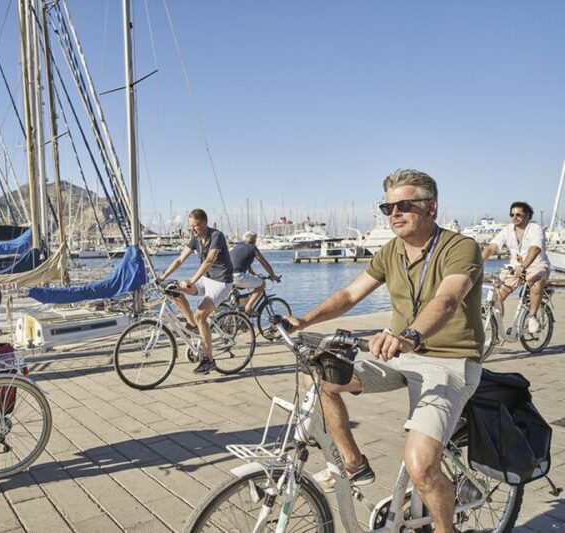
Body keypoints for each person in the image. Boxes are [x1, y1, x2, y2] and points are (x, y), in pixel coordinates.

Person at [286, 169, 483, 533]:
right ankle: (354, 462)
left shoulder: (460, 247)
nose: (394, 213)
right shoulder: (390, 251)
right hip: (399, 353)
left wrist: (410, 334)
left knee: (421, 466)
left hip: (450, 361)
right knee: (322, 374)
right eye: (387, 206)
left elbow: (448, 299)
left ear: (432, 207)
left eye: (405, 205)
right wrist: (304, 321)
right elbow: (348, 296)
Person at [155, 208, 234, 374]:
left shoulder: (216, 236)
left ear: (204, 224)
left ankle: (209, 360)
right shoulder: (195, 238)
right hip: (206, 280)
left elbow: (208, 261)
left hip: (221, 283)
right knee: (173, 290)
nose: (192, 230)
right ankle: (191, 323)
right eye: (190, 226)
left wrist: (191, 281)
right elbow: (179, 259)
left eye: (196, 226)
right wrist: (163, 277)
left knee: (201, 315)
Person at [481, 201, 549, 333]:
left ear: (527, 215)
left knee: (536, 283)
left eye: (518, 215)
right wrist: (478, 262)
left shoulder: (535, 229)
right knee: (498, 294)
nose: (514, 218)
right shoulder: (507, 230)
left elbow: (535, 249)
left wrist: (524, 266)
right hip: (515, 266)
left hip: (536, 264)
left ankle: (532, 316)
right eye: (512, 215)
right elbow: (492, 247)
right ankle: (497, 329)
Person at [229, 231, 279, 316]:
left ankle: (231, 323)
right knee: (262, 284)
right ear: (254, 240)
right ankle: (248, 307)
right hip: (238, 276)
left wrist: (252, 273)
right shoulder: (252, 248)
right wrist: (273, 275)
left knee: (236, 303)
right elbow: (264, 263)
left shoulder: (237, 247)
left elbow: (243, 261)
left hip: (227, 277)